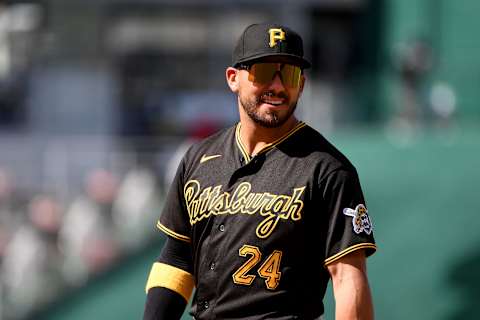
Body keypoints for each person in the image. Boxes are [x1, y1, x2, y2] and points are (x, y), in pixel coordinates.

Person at [143, 23, 376, 320]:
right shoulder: (198, 158)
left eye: (289, 74)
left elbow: (347, 277)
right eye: (265, 72)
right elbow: (177, 259)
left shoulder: (327, 168)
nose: (278, 86)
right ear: (233, 78)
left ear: (301, 85)